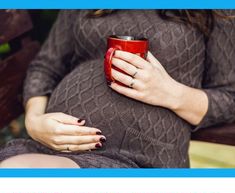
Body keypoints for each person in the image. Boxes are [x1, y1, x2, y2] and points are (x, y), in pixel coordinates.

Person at [0, 10, 235, 168]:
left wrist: (170, 93)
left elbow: (229, 98)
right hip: (51, 145)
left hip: (138, 159)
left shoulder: (213, 9)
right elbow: (45, 66)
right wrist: (35, 122)